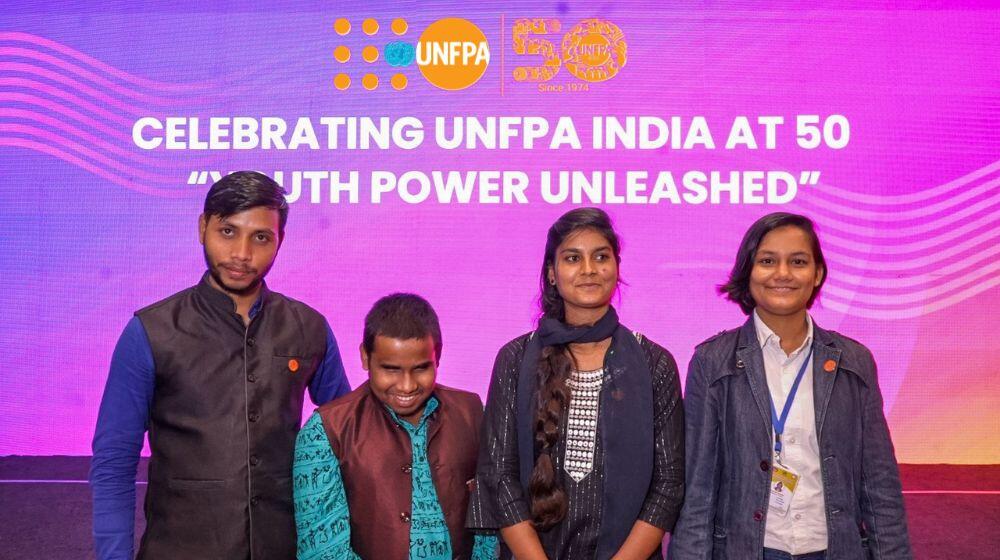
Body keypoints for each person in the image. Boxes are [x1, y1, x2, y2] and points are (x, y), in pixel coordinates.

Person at [89, 171, 351, 560]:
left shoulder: (308, 327)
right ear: (202, 228)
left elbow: (352, 439)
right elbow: (114, 461)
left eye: (261, 237)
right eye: (228, 232)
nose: (242, 254)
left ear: (280, 241)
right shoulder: (151, 332)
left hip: (285, 549)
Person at [667, 212, 912, 560]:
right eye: (767, 261)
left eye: (798, 262)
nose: (782, 274)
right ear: (747, 272)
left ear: (817, 274)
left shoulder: (853, 362)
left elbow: (879, 484)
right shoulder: (713, 362)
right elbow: (698, 490)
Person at [467, 207, 685, 560]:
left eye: (601, 256)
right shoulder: (515, 359)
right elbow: (498, 476)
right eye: (572, 258)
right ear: (552, 273)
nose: (589, 269)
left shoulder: (653, 363)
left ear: (616, 267)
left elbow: (668, 484)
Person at [293, 293, 497, 560]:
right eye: (390, 369)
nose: (407, 386)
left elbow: (488, 529)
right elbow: (323, 552)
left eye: (421, 368)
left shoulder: (472, 413)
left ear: (438, 356)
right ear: (365, 358)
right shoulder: (326, 431)